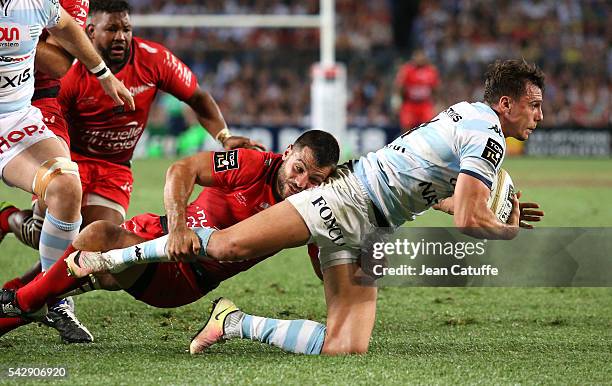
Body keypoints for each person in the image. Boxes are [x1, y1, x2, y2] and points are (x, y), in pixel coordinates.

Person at [39, 59, 547, 356]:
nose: (539, 115)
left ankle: (235, 322)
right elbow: (466, 219)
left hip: (371, 223)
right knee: (231, 244)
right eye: (534, 104)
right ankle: (111, 258)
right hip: (347, 199)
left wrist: (494, 213)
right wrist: (500, 230)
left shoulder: (469, 118)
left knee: (346, 346)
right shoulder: (487, 133)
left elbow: (434, 191)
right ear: (506, 103)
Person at [0, 0, 261, 337]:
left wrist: (224, 136)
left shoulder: (153, 59)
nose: (121, 36)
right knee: (50, 224)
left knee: (96, 243)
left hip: (114, 169)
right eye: (112, 29)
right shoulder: (67, 74)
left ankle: (34, 294)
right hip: (73, 153)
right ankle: (11, 224)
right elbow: (52, 109)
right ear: (90, 32)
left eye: (126, 28)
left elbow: (197, 96)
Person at [0, 130, 339, 340]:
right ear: (289, 151)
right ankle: (21, 299)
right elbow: (182, 169)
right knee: (72, 270)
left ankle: (23, 302)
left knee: (98, 236)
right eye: (298, 170)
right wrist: (178, 227)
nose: (301, 184)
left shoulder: (311, 209)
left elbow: (324, 265)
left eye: (314, 179)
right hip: (156, 231)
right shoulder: (254, 164)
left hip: (182, 275)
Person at [0, 0, 134, 341]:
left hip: (16, 116)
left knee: (65, 187)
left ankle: (51, 296)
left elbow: (63, 26)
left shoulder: (34, 1)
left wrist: (102, 73)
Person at [392, 49, 440, 132]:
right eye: (417, 56)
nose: (419, 59)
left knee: (429, 128)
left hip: (425, 104)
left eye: (421, 56)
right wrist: (397, 101)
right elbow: (399, 86)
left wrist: (437, 103)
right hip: (410, 104)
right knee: (407, 129)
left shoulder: (431, 70)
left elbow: (435, 89)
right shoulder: (406, 70)